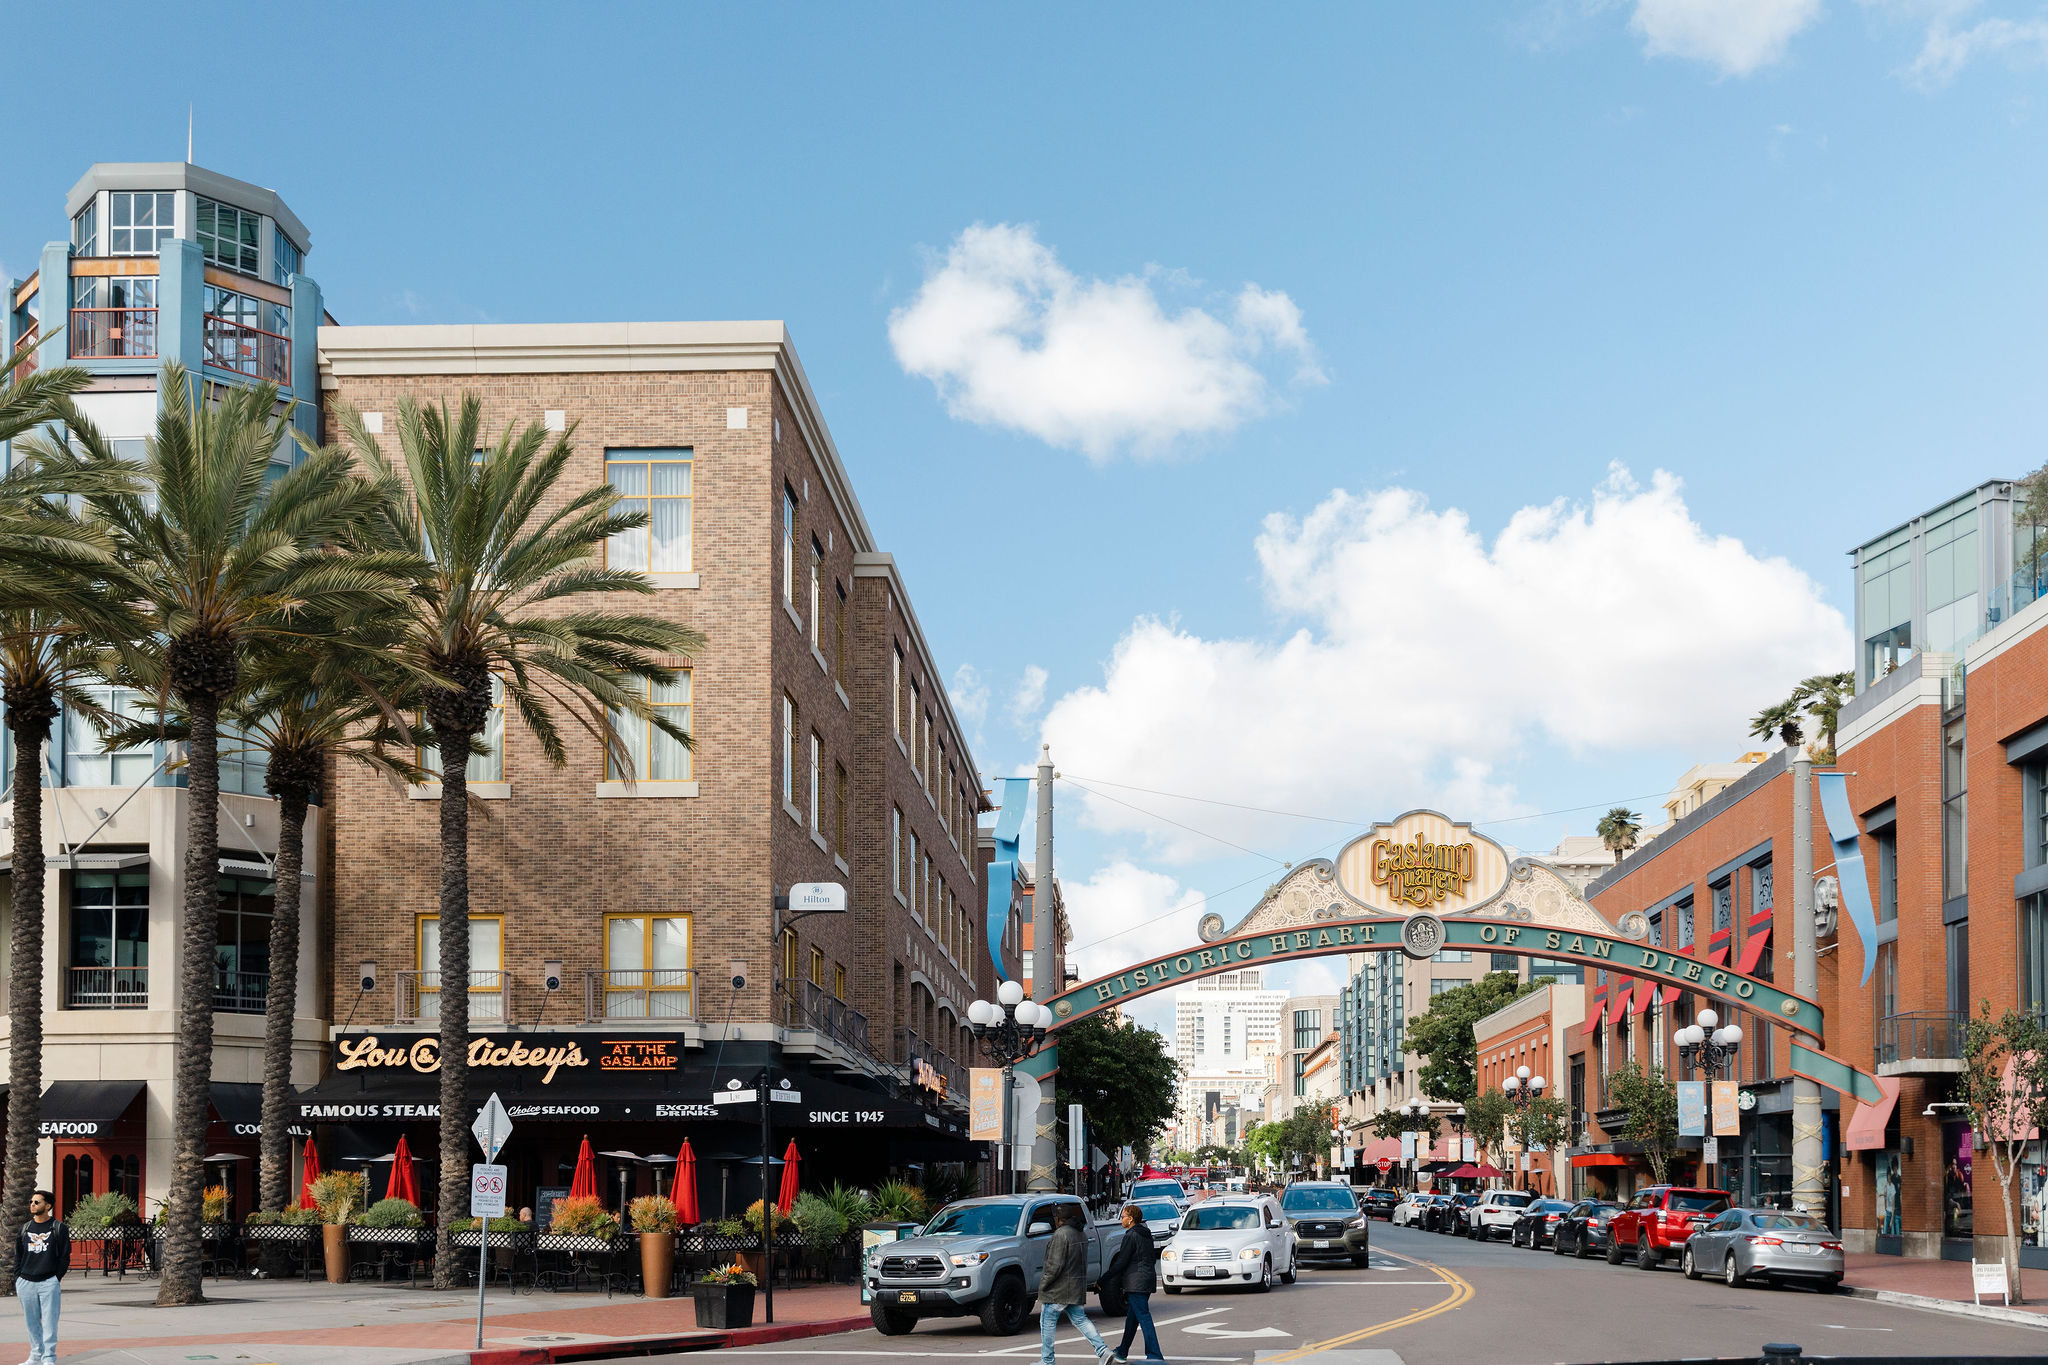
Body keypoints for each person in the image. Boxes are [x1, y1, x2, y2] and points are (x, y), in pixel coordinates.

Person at [1039, 1203, 1110, 1365]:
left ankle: (1047, 1360)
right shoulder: (1080, 1233)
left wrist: (1043, 1285)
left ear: (1058, 1219)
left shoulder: (1061, 1234)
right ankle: (1103, 1351)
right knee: (1081, 1320)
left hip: (1058, 1289)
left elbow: (1054, 1265)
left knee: (1047, 1321)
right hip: (1075, 1286)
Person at [15, 1189, 69, 1365]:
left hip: (48, 1282)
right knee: (32, 1323)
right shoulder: (24, 1229)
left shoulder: (59, 1228)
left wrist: (56, 1278)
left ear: (48, 1206)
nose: (32, 1204)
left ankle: (48, 1358)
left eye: (36, 1202)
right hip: (26, 1282)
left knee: (50, 1323)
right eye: (31, 1202)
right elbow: (18, 1255)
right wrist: (18, 1278)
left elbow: (64, 1257)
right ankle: (35, 1356)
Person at [1104, 1206, 1163, 1362]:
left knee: (1143, 1317)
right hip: (1146, 1279)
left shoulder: (1131, 1235)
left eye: (1123, 1216)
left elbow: (1121, 1262)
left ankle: (1155, 1355)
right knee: (1132, 1318)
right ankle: (1122, 1351)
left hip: (1136, 1281)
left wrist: (1104, 1279)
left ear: (1130, 1219)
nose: (1121, 1219)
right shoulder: (1145, 1233)